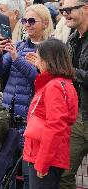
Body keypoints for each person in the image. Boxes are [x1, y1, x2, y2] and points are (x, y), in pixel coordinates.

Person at [0, 4, 54, 188]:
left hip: (31, 122)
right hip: (9, 117)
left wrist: (17, 59)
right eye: (25, 20)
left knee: (28, 174)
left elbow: (39, 81)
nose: (27, 24)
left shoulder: (50, 50)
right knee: (4, 171)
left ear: (45, 23)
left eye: (32, 21)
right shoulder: (18, 45)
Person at [23, 38, 78, 189]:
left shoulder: (54, 86)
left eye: (40, 59)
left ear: (48, 60)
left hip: (44, 155)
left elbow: (55, 125)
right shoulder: (63, 83)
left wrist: (42, 162)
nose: (38, 62)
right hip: (49, 155)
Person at [59, 0, 88, 188]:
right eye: (62, 10)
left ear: (86, 8)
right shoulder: (71, 37)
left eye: (69, 9)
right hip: (77, 117)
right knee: (63, 176)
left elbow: (70, 71)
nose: (64, 14)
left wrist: (69, 71)